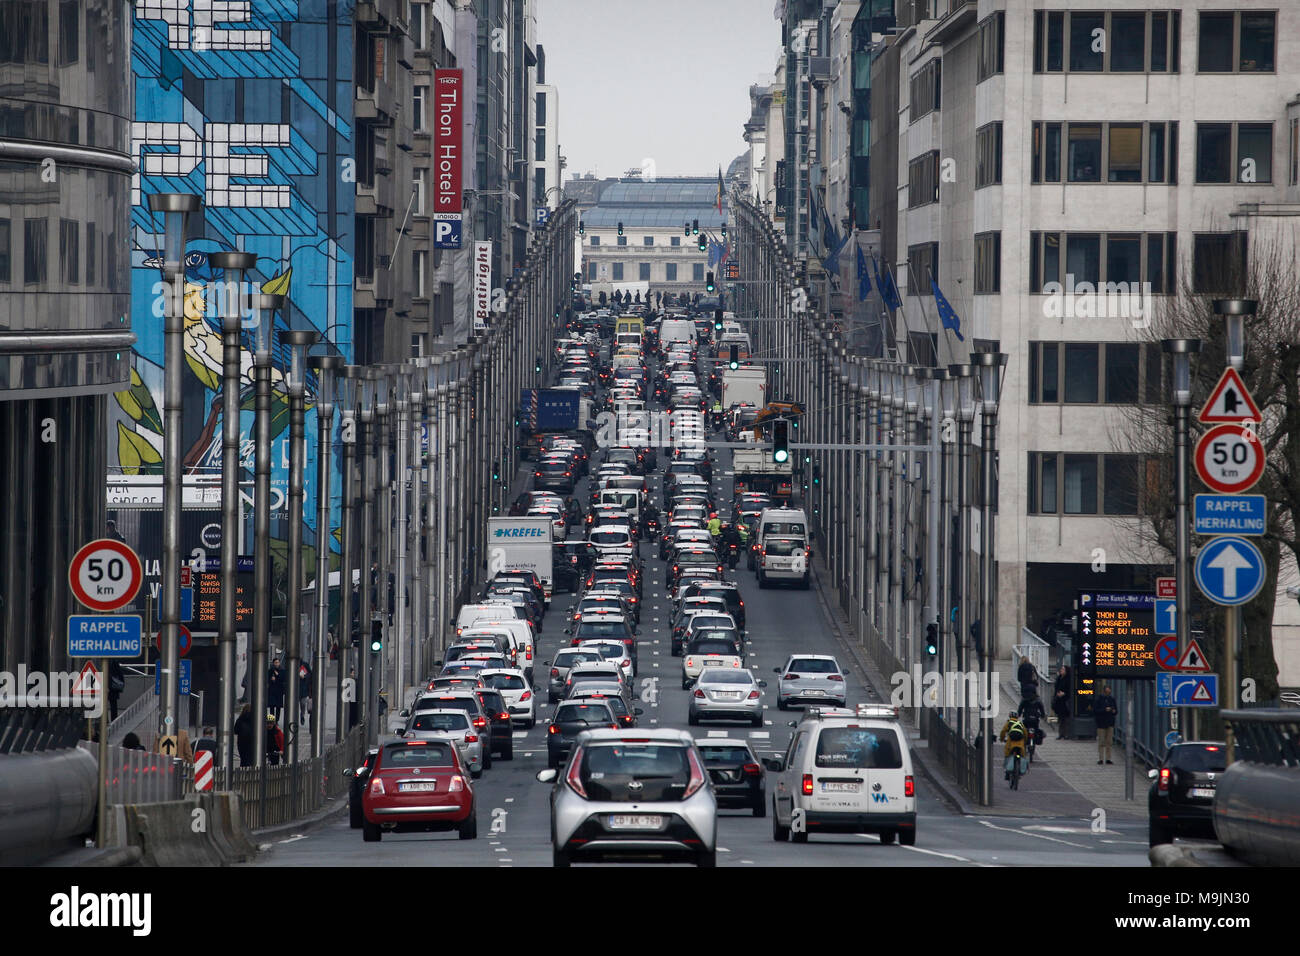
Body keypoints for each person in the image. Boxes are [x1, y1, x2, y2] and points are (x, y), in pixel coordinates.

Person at [998, 711, 1028, 780]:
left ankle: (1007, 771)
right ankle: (1020, 769)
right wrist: (1025, 741)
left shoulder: (1008, 723)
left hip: (1011, 743)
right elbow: (1025, 733)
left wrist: (1002, 739)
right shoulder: (1020, 724)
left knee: (1007, 754)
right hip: (1020, 744)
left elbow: (1003, 731)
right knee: (1021, 756)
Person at [1094, 684, 1118, 765]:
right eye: (1106, 691)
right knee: (1101, 742)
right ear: (1104, 691)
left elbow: (1116, 710)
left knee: (1109, 742)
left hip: (1110, 723)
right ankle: (1101, 758)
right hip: (1101, 723)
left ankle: (1108, 758)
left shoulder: (1112, 699)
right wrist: (1104, 710)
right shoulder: (1099, 699)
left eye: (1109, 691)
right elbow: (1096, 710)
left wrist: (1113, 711)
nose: (1108, 693)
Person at [1052, 664, 1071, 739]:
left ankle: (1066, 733)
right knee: (1060, 718)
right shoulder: (1059, 678)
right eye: (1061, 669)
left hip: (1065, 701)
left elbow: (1069, 690)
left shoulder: (1068, 679)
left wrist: (1064, 693)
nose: (1061, 670)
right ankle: (1061, 733)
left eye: (1063, 669)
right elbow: (1056, 687)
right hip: (1059, 701)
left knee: (1066, 718)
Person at [267, 656, 285, 723]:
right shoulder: (270, 671)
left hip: (279, 691)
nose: (277, 664)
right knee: (272, 706)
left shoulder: (282, 670)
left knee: (278, 707)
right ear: (273, 663)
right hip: (272, 691)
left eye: (278, 662)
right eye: (275, 662)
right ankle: (272, 720)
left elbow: (283, 679)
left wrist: (277, 675)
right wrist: (271, 680)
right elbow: (267, 679)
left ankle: (277, 720)